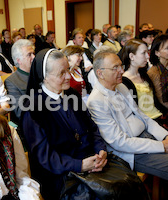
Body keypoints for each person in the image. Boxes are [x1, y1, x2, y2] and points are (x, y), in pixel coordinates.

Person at [87, 51, 168, 200]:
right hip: (133, 151)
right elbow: (120, 142)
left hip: (148, 137)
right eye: (115, 68)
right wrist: (163, 146)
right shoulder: (96, 101)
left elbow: (144, 118)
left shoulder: (121, 87)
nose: (121, 71)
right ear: (100, 73)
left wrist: (166, 136)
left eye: (121, 66)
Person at [21, 49, 108, 199]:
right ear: (45, 77)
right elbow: (46, 157)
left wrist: (100, 149)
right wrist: (79, 165)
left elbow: (92, 127)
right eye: (62, 73)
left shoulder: (71, 94)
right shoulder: (33, 108)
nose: (69, 76)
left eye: (68, 69)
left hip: (91, 163)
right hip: (61, 175)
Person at [122, 39, 168, 129]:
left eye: (147, 52)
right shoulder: (125, 81)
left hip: (160, 118)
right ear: (131, 56)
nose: (147, 56)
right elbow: (136, 114)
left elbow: (156, 103)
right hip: (149, 124)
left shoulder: (143, 75)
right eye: (143, 53)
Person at [5, 39, 35, 124]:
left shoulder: (40, 74)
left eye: (33, 53)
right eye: (29, 55)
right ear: (19, 60)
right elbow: (20, 112)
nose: (34, 57)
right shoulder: (11, 81)